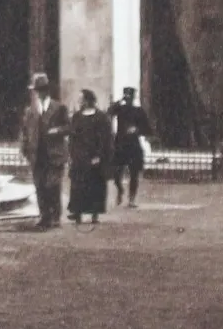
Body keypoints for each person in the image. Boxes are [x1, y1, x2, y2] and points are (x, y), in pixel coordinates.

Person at [19, 73, 70, 230]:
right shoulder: (30, 111)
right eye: (36, 90)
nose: (38, 93)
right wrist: (24, 149)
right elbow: (25, 131)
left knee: (52, 185)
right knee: (40, 186)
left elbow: (68, 127)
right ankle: (44, 216)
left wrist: (57, 130)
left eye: (40, 90)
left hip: (54, 154)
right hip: (37, 154)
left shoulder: (59, 108)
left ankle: (55, 215)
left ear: (46, 90)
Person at [66, 90, 112, 225]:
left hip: (94, 157)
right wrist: (71, 154)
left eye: (81, 99)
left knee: (95, 185)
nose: (79, 101)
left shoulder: (101, 117)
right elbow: (72, 137)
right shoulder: (77, 117)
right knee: (78, 185)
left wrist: (99, 155)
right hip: (79, 157)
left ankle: (94, 214)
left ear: (87, 100)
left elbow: (105, 139)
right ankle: (77, 212)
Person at [108, 86, 150, 205]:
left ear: (133, 97)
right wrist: (119, 101)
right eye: (126, 96)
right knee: (116, 173)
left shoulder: (139, 111)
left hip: (133, 145)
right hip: (120, 144)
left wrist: (136, 130)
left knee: (134, 173)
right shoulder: (120, 109)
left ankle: (131, 199)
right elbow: (109, 111)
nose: (128, 99)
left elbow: (146, 128)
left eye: (129, 96)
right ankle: (120, 189)